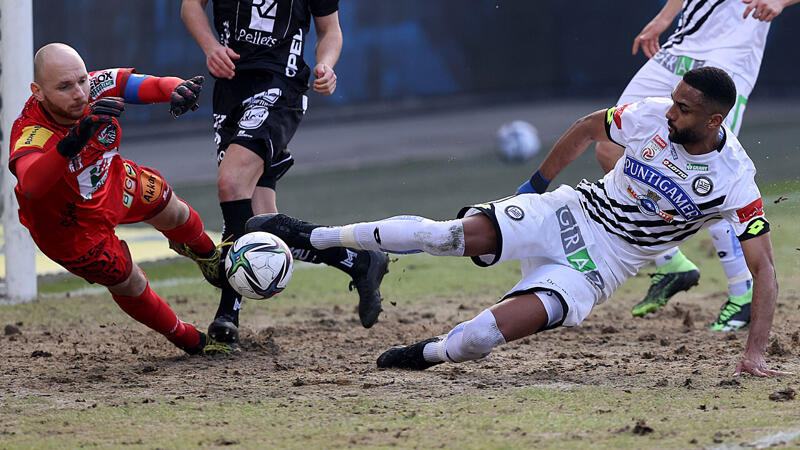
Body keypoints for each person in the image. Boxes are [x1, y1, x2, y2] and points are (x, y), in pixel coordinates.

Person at [248, 67, 790, 377]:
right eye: (672, 103)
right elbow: (585, 129)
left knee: (480, 337)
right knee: (447, 236)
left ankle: (427, 353)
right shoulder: (652, 114)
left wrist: (755, 352)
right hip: (571, 212)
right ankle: (305, 235)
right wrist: (536, 186)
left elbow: (763, 269)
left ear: (715, 120)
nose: (670, 114)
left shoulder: (734, 181)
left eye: (685, 111)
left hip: (600, 269)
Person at [181, 0, 389, 346]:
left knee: (232, 184)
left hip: (281, 84)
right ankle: (358, 261)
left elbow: (330, 30)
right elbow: (191, 6)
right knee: (261, 221)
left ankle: (227, 313)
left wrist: (325, 65)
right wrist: (211, 47)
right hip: (230, 88)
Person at [8, 43, 233, 356]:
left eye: (82, 81)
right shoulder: (31, 131)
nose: (78, 93)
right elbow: (31, 184)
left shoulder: (91, 87)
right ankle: (189, 340)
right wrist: (73, 142)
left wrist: (175, 89)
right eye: (64, 87)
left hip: (112, 182)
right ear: (38, 91)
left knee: (174, 209)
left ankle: (210, 259)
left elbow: (138, 84)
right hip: (70, 228)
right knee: (131, 281)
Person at [594, 0, 799, 329]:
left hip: (730, 56)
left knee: (712, 178)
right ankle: (670, 262)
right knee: (609, 143)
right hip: (680, 48)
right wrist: (663, 18)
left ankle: (742, 290)